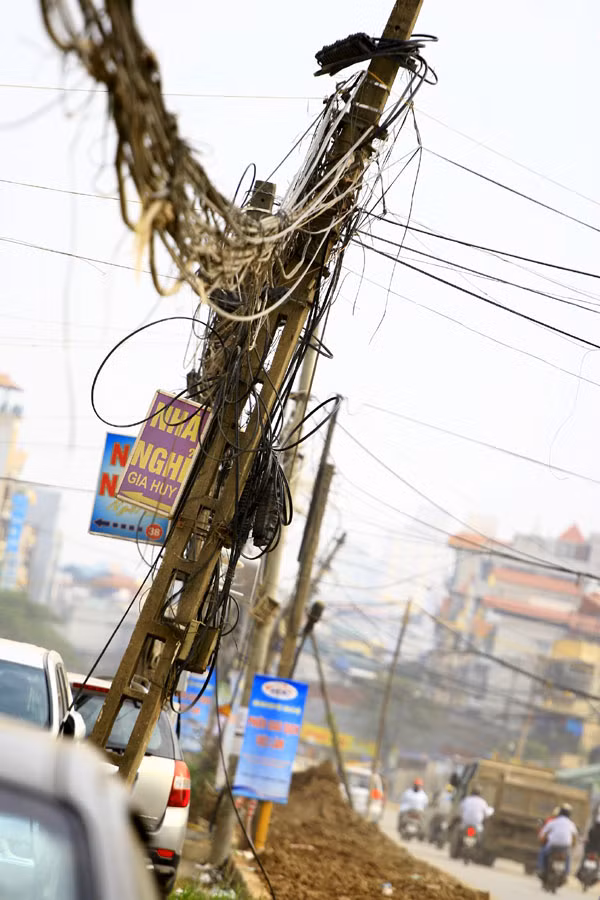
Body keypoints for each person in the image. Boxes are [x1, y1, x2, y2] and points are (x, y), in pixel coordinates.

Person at [537, 803, 578, 875]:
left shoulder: (553, 821)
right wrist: (573, 845)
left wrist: (542, 839)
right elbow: (575, 836)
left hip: (553, 845)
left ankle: (541, 869)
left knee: (543, 852)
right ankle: (566, 872)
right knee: (568, 856)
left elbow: (543, 833)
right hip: (565, 846)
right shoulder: (571, 824)